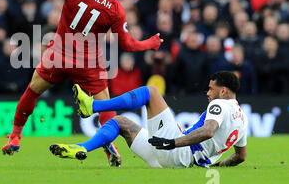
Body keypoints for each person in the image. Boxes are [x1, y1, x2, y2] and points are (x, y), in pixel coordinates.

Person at [2, 0, 163, 167]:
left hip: (57, 57)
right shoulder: (115, 9)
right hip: (89, 65)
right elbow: (126, 44)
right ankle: (109, 146)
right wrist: (150, 43)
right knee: (106, 108)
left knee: (32, 92)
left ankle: (15, 136)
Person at [51, 71, 247, 168]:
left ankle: (93, 106)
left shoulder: (220, 104)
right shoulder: (243, 120)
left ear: (223, 91)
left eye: (211, 89)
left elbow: (208, 130)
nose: (208, 93)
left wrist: (173, 142)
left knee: (151, 92)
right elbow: (241, 157)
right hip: (171, 160)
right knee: (119, 122)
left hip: (177, 151)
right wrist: (218, 165)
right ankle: (83, 147)